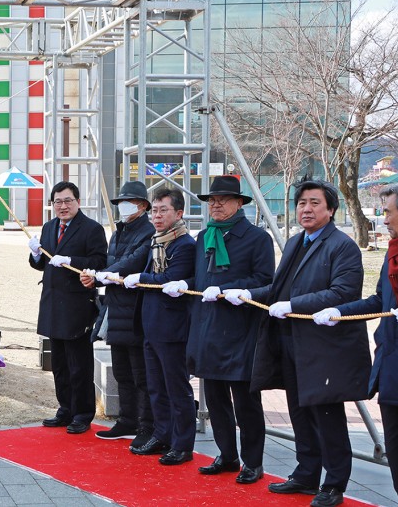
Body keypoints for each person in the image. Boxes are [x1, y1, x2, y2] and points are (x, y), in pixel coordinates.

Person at [227, 180, 369, 507]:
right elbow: (279, 289)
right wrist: (250, 295)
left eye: (315, 203)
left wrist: (296, 305)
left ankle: (333, 484)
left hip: (323, 347)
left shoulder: (342, 245)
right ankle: (306, 474)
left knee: (327, 416)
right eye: (302, 203)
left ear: (331, 210)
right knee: (299, 412)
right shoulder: (295, 242)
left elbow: (343, 293)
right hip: (289, 341)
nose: (306, 209)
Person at [315, 181, 398, 507]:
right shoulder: (396, 251)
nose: (382, 219)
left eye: (387, 212)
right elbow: (380, 301)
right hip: (392, 370)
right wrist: (338, 311)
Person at [163, 176, 274, 484]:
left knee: (245, 402)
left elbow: (266, 281)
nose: (216, 204)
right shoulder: (204, 237)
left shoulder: (256, 238)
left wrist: (229, 289)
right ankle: (227, 455)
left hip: (240, 330)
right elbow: (201, 281)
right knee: (214, 399)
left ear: (239, 203)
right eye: (212, 200)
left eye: (223, 199)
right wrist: (186, 285)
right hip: (207, 328)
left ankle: (253, 462)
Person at [120, 187, 197, 465]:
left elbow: (171, 278)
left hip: (173, 329)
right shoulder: (156, 241)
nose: (157, 215)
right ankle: (162, 434)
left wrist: (138, 277)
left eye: (163, 210)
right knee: (156, 387)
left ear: (179, 213)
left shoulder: (184, 244)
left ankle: (182, 443)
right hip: (151, 326)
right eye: (154, 210)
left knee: (177, 388)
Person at [29, 181, 108, 435]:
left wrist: (71, 261)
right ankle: (65, 409)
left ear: (78, 202)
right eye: (57, 202)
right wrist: (36, 255)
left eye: (67, 201)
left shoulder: (92, 229)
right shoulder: (49, 227)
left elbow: (99, 261)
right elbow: (42, 265)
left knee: (79, 364)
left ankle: (83, 413)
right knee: (59, 363)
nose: (62, 206)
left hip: (77, 305)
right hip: (53, 302)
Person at [80, 181, 155, 448]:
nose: (124, 206)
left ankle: (147, 425)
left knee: (140, 374)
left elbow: (131, 261)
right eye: (122, 201)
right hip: (115, 307)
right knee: (122, 371)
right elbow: (111, 263)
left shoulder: (148, 231)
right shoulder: (119, 230)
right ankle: (127, 420)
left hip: (135, 311)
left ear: (143, 206)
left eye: (130, 201)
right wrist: (97, 276)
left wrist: (104, 276)